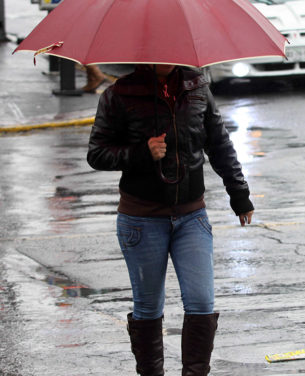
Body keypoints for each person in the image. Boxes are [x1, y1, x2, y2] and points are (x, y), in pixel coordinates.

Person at [87, 64, 254, 376]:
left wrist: (239, 193)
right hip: (141, 219)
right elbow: (96, 153)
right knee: (148, 308)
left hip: (192, 216)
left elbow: (218, 144)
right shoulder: (119, 94)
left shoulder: (196, 88)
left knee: (202, 302)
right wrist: (141, 152)